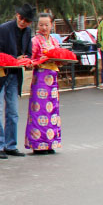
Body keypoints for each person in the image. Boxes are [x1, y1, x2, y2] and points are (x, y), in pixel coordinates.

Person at [0, 4, 34, 160]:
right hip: (1, 73)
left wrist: (26, 59)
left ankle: (11, 145)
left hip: (15, 74)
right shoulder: (4, 29)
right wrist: (14, 59)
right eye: (22, 19)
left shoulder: (28, 31)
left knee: (13, 112)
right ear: (17, 15)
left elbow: (28, 52)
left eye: (27, 21)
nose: (23, 22)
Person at [27, 13, 62, 154]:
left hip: (52, 79)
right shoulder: (35, 41)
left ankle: (50, 142)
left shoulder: (54, 40)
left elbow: (60, 58)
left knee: (52, 111)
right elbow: (31, 59)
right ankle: (38, 144)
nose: (44, 27)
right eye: (41, 24)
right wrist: (41, 60)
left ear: (51, 25)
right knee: (39, 111)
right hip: (40, 78)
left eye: (47, 24)